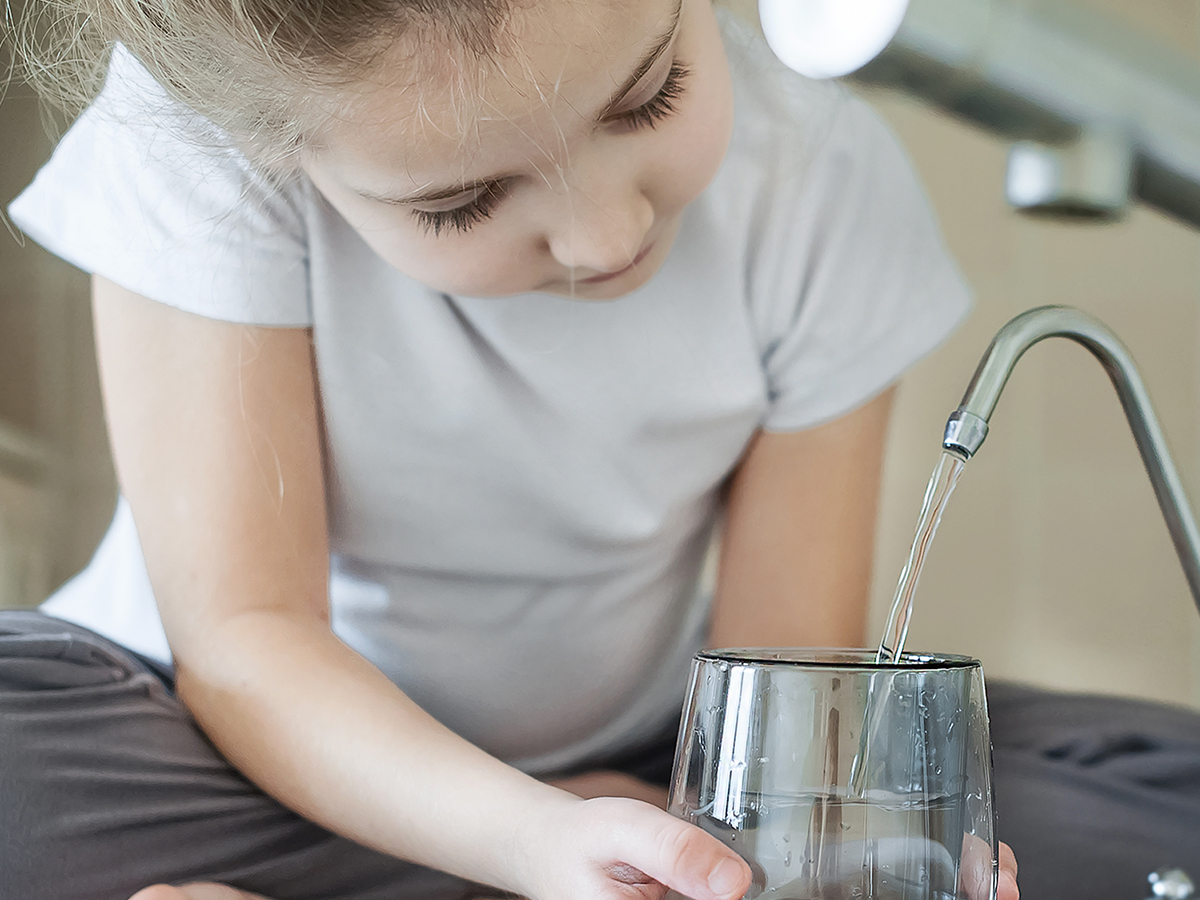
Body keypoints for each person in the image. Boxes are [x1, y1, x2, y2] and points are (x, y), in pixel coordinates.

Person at [1, 0, 1022, 898]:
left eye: (648, 98)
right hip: (195, 741)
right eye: (466, 202)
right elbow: (243, 642)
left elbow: (786, 714)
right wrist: (524, 833)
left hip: (630, 766)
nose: (605, 237)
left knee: (1133, 798)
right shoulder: (197, 146)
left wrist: (741, 844)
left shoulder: (823, 179)